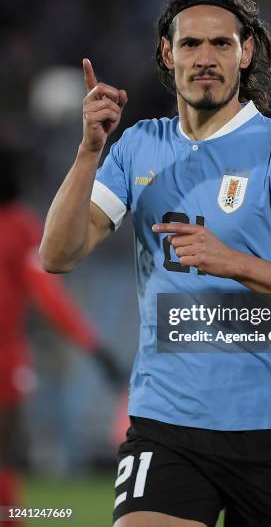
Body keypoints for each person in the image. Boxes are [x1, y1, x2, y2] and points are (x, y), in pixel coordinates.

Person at [40, 0, 271, 527]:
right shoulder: (138, 147)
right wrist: (89, 152)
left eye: (221, 44)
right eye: (191, 44)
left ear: (247, 52)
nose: (205, 58)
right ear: (169, 54)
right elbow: (58, 254)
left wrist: (235, 262)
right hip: (166, 426)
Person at [0, 148, 123, 527]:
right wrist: (94, 347)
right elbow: (46, 293)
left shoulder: (17, 225)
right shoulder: (17, 223)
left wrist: (92, 345)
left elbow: (46, 294)